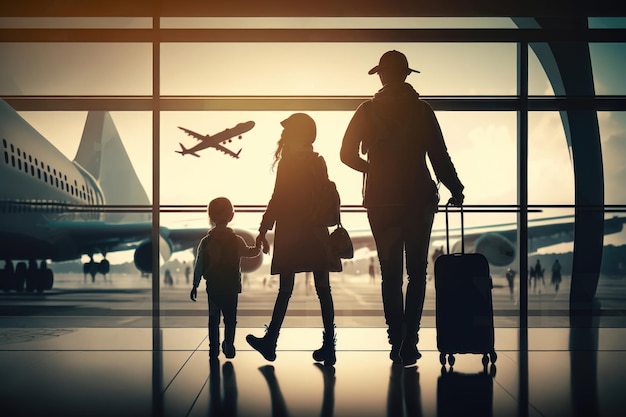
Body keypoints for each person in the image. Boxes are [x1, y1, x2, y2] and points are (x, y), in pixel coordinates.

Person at [340, 50, 464, 366]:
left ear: (380, 76)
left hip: (381, 201)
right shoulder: (422, 111)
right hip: (418, 199)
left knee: (390, 274)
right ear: (407, 75)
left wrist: (373, 169)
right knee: (417, 273)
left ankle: (395, 340)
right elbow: (439, 156)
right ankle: (411, 341)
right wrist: (456, 189)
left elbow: (345, 154)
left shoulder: (365, 111)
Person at [246, 113, 339, 366]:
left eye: (288, 131)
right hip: (317, 232)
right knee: (323, 290)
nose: (283, 135)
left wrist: (264, 229)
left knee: (285, 290)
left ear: (296, 134)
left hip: (292, 233)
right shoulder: (318, 161)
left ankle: (271, 341)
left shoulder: (289, 163)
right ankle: (329, 346)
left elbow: (277, 199)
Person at [190, 197, 261, 359]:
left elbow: (199, 265)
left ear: (211, 217)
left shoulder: (206, 242)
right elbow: (251, 252)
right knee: (230, 319)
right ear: (231, 216)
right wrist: (258, 246)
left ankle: (213, 349)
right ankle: (229, 345)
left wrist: (195, 284)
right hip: (231, 287)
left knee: (213, 319)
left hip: (214, 287)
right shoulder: (236, 241)